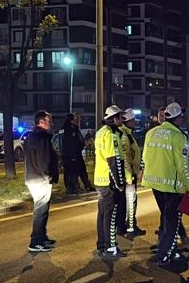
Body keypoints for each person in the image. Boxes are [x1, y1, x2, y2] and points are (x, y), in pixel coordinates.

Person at [142, 102, 189, 266]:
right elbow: (183, 166)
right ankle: (164, 255)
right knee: (172, 221)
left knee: (166, 218)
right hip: (172, 186)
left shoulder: (151, 133)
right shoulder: (179, 137)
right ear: (178, 118)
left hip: (155, 183)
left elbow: (145, 157)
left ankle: (169, 250)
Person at [93, 105, 131, 259]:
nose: (122, 120)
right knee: (110, 216)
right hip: (109, 182)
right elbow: (113, 161)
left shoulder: (100, 132)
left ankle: (102, 244)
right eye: (120, 117)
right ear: (114, 119)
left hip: (100, 179)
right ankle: (110, 247)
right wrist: (118, 183)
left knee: (102, 214)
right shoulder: (111, 135)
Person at [23, 111, 59, 253]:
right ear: (41, 122)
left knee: (42, 209)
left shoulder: (32, 137)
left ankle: (41, 237)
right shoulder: (41, 138)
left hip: (34, 177)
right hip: (40, 178)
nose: (51, 124)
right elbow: (44, 160)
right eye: (49, 121)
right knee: (41, 210)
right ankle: (36, 241)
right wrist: (48, 176)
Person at [119, 108, 146, 237]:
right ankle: (130, 227)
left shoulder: (128, 134)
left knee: (129, 202)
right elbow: (125, 158)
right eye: (133, 120)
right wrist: (129, 176)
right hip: (128, 176)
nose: (135, 122)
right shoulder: (125, 136)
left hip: (130, 174)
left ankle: (128, 225)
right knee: (131, 202)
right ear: (127, 121)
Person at [61, 113, 92, 194]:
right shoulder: (70, 129)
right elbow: (75, 142)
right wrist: (80, 146)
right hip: (73, 155)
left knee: (76, 171)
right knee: (74, 171)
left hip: (71, 154)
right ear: (71, 120)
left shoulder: (68, 129)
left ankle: (81, 186)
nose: (78, 120)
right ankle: (75, 188)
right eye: (76, 118)